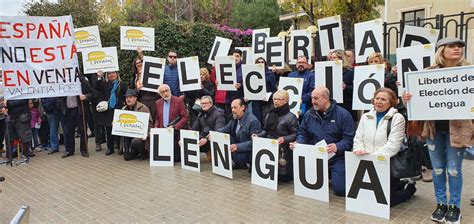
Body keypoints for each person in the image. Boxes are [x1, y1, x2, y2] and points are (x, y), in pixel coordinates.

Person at [402, 37, 472, 223]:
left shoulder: (468, 72)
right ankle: (441, 204)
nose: (457, 49)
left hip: (458, 130)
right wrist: (407, 98)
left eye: (460, 46)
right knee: (438, 170)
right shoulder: (427, 73)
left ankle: (454, 207)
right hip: (433, 130)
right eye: (452, 46)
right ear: (441, 50)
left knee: (454, 169)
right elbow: (416, 100)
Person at [353, 88, 416, 207]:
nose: (379, 102)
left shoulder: (398, 118)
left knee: (385, 200)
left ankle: (409, 190)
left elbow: (393, 146)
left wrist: (373, 158)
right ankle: (399, 184)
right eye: (377, 98)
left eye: (383, 99)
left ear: (391, 102)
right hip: (366, 163)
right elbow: (358, 138)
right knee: (366, 196)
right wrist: (358, 149)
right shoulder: (365, 116)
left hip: (386, 164)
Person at [290, 86, 355, 196]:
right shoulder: (309, 114)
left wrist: (337, 146)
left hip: (336, 157)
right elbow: (303, 133)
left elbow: (349, 139)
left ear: (326, 98)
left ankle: (334, 174)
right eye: (312, 98)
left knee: (341, 190)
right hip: (315, 156)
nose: (312, 101)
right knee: (303, 184)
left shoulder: (343, 114)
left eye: (316, 98)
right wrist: (299, 142)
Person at [254, 90, 299, 182]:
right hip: (270, 148)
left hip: (283, 150)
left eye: (279, 99)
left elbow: (296, 134)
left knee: (282, 178)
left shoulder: (291, 117)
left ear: (286, 101)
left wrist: (285, 139)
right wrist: (258, 136)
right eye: (274, 99)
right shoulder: (269, 114)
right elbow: (266, 131)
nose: (276, 101)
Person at [218, 98, 261, 169]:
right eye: (231, 108)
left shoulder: (253, 121)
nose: (232, 110)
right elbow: (225, 129)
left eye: (235, 107)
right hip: (239, 145)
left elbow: (255, 142)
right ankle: (239, 164)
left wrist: (237, 147)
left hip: (248, 151)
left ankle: (248, 163)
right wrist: (214, 133)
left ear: (242, 107)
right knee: (224, 137)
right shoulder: (234, 118)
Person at [95, 70, 128, 156]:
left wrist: (123, 103)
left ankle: (119, 145)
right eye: (109, 73)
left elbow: (125, 95)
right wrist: (99, 77)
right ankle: (110, 148)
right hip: (108, 109)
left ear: (117, 74)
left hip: (119, 109)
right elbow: (97, 89)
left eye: (113, 73)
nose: (111, 75)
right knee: (109, 129)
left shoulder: (122, 84)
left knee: (118, 128)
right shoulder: (104, 84)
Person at [59, 75, 92, 158]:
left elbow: (92, 94)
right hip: (68, 110)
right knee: (68, 131)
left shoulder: (82, 81)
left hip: (79, 110)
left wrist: (85, 96)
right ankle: (69, 150)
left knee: (82, 130)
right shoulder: (62, 82)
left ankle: (84, 149)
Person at [154, 84, 189, 162]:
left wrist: (176, 126)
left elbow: (185, 117)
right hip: (163, 132)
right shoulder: (158, 103)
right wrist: (156, 127)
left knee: (176, 159)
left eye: (166, 91)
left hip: (175, 132)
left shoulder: (178, 101)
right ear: (160, 94)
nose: (165, 93)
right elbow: (157, 118)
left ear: (170, 91)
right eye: (162, 92)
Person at [121, 89, 153, 161]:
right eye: (127, 98)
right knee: (127, 157)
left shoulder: (143, 108)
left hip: (140, 136)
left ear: (135, 98)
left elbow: (150, 123)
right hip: (128, 135)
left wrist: (146, 134)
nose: (128, 99)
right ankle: (131, 151)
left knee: (136, 141)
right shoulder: (123, 109)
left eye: (130, 97)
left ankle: (144, 153)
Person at [191, 95, 225, 161]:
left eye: (206, 103)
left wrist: (206, 139)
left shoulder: (218, 114)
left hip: (212, 139)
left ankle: (212, 152)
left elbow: (219, 131)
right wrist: (185, 138)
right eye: (202, 103)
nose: (203, 105)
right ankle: (208, 151)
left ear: (211, 103)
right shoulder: (200, 114)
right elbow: (194, 129)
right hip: (203, 137)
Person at [328, 49, 357, 121]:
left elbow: (356, 89)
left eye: (334, 58)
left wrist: (346, 87)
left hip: (346, 106)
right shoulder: (328, 71)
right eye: (331, 58)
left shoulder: (351, 71)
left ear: (341, 58)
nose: (332, 60)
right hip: (332, 106)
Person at [133, 47, 160, 120]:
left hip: (153, 97)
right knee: (145, 118)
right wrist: (138, 89)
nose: (139, 64)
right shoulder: (135, 77)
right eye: (137, 63)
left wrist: (141, 53)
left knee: (155, 117)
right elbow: (134, 91)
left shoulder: (150, 71)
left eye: (140, 62)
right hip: (143, 98)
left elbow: (147, 62)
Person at [252, 57, 277, 124]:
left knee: (266, 121)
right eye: (258, 62)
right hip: (256, 102)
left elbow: (274, 90)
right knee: (257, 120)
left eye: (262, 62)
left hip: (267, 102)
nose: (260, 64)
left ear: (265, 64)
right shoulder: (252, 74)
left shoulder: (270, 74)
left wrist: (268, 95)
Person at [224, 49, 245, 121]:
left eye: (237, 56)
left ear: (241, 57)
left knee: (239, 118)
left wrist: (241, 85)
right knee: (229, 119)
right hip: (228, 98)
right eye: (234, 56)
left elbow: (249, 83)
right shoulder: (227, 66)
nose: (235, 58)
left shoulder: (244, 68)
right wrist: (218, 82)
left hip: (239, 97)